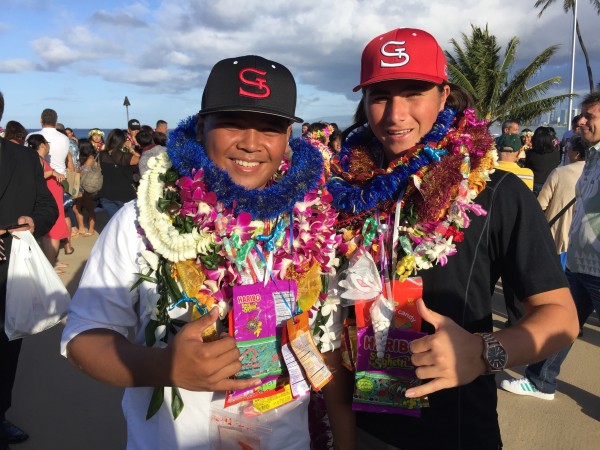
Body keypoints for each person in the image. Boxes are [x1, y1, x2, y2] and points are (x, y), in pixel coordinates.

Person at [61, 55, 342, 449]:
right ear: (201, 126)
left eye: (270, 128)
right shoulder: (142, 219)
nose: (250, 142)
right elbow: (81, 340)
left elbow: (324, 351)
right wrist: (166, 367)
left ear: (287, 137)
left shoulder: (312, 222)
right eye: (232, 122)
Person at [325, 28, 578, 449]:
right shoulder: (341, 195)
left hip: (455, 432)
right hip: (357, 426)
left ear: (444, 96)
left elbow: (563, 318)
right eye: (381, 96)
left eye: (413, 93)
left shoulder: (494, 192)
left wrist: (483, 353)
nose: (395, 115)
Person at [501, 92, 600, 401]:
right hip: (578, 263)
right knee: (563, 323)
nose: (581, 121)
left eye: (590, 116)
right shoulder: (591, 157)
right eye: (582, 115)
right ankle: (541, 381)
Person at [0, 90, 58, 449]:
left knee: (7, 350)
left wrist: (33, 221)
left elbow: (45, 205)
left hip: (11, 274)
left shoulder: (23, 158)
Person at [25, 134, 69, 272]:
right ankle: (49, 267)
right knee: (51, 234)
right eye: (47, 143)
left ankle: (51, 262)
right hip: (50, 202)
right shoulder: (37, 159)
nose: (49, 146)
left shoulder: (38, 159)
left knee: (50, 234)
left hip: (53, 200)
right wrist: (52, 174)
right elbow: (35, 176)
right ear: (43, 145)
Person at [96, 128, 140, 219]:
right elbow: (140, 158)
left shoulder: (102, 155)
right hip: (125, 194)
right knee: (127, 224)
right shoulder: (126, 157)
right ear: (122, 141)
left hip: (106, 194)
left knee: (113, 224)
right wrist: (130, 148)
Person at [71, 139, 97, 237]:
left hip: (88, 187)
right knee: (76, 207)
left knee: (89, 208)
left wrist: (75, 172)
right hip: (80, 187)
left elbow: (84, 172)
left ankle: (91, 229)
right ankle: (81, 228)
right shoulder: (80, 159)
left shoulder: (91, 158)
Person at [526, 126, 561, 195]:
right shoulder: (556, 153)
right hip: (550, 183)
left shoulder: (531, 153)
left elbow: (527, 167)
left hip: (534, 184)